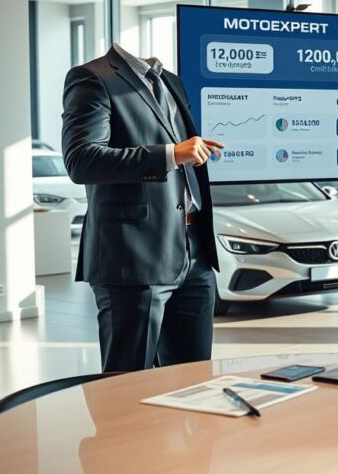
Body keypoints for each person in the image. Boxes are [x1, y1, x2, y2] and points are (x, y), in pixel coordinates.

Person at [62, 43, 225, 372]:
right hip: (132, 255)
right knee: (127, 381)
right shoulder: (92, 78)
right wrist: (170, 154)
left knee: (193, 377)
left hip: (194, 251)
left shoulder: (172, 81)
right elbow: (82, 161)